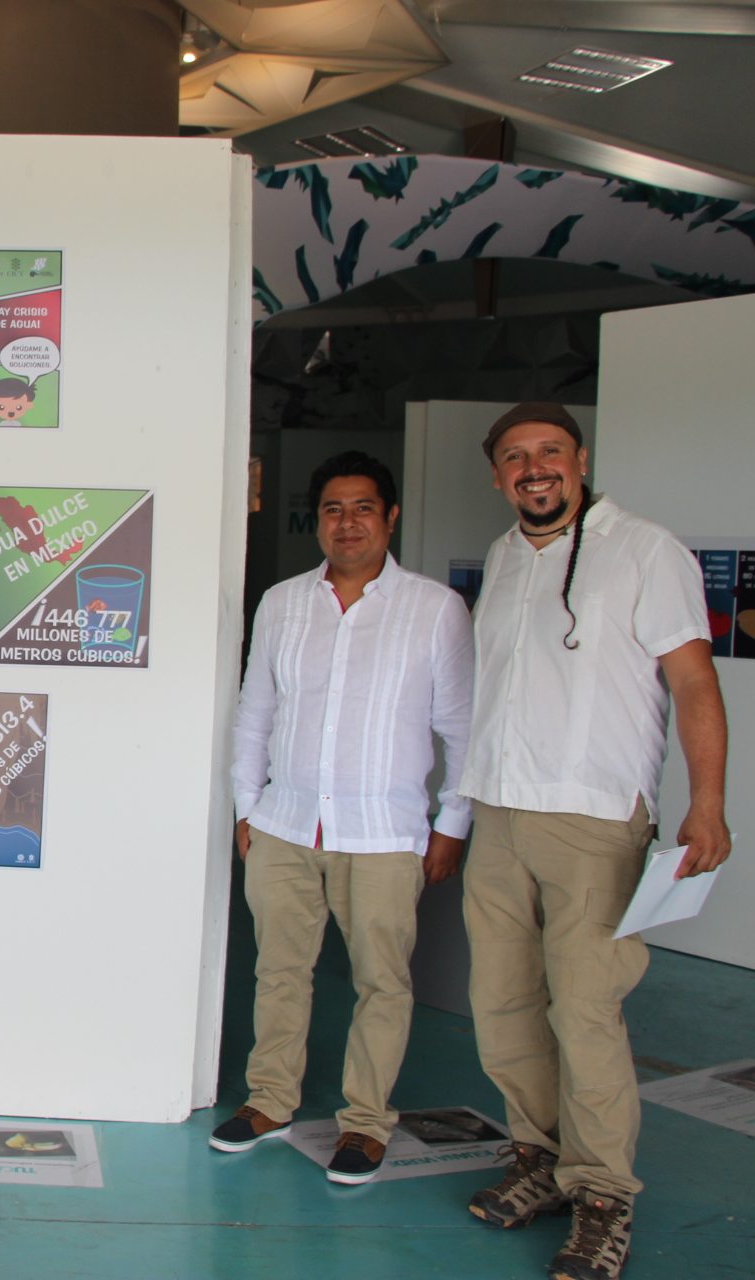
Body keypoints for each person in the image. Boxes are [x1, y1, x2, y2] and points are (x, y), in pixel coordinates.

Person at [459, 403, 730, 1280]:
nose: (533, 469)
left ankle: (603, 1193)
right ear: (498, 476)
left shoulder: (646, 549)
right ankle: (539, 1159)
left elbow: (692, 681)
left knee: (584, 1012)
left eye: (548, 452)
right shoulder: (503, 559)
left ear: (580, 459)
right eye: (514, 458)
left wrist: (708, 802)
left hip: (596, 818)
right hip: (498, 812)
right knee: (501, 1006)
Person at [214, 451, 473, 1185]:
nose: (347, 522)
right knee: (279, 971)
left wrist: (451, 823)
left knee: (382, 980)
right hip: (287, 824)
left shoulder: (434, 609)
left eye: (363, 507)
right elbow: (255, 712)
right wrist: (247, 804)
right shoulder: (282, 602)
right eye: (332, 508)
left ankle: (364, 1124)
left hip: (384, 833)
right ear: (316, 520)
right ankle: (269, 1102)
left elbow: (462, 728)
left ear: (390, 518)